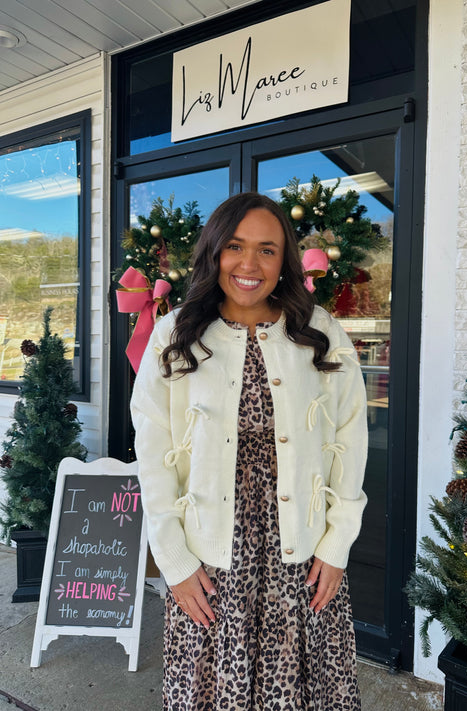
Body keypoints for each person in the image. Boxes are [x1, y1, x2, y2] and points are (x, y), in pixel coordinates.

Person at [130, 192, 368, 710]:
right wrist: (172, 557)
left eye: (267, 249)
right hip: (209, 559)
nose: (249, 264)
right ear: (214, 251)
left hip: (301, 553)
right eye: (235, 246)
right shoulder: (176, 334)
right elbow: (152, 447)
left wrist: (337, 542)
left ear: (284, 260)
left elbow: (351, 434)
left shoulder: (319, 331)